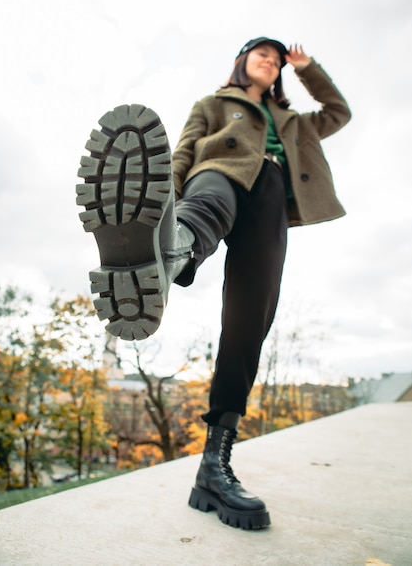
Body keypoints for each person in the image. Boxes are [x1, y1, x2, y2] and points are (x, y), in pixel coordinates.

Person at [76, 37, 351, 530]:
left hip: (271, 200)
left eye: (276, 58)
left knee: (251, 318)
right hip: (217, 173)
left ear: (281, 70)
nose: (269, 61)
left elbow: (338, 111)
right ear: (242, 62)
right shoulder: (213, 104)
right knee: (203, 210)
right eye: (260, 55)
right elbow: (180, 156)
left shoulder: (294, 123)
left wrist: (308, 67)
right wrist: (161, 203)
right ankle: (168, 244)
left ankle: (213, 467)